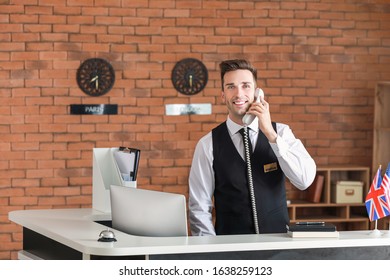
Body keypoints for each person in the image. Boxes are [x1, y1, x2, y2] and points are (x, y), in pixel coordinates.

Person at [188, 59, 316, 236]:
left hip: (278, 247)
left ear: (257, 93)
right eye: (231, 87)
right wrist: (211, 251)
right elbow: (199, 208)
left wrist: (270, 134)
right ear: (223, 95)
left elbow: (304, 180)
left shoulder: (281, 133)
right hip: (229, 250)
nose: (239, 94)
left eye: (245, 86)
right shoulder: (207, 144)